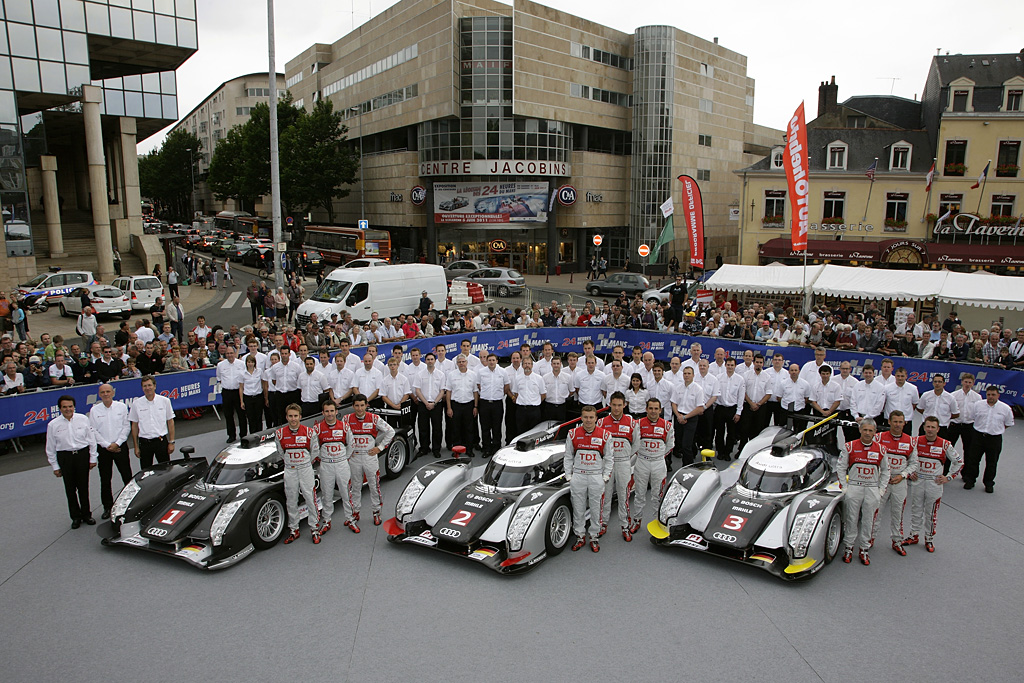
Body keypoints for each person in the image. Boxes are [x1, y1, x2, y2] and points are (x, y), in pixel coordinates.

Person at [905, 416, 963, 552]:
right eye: (928, 427)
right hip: (917, 481)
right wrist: (909, 472)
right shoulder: (915, 441)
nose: (930, 430)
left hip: (934, 483)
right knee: (915, 510)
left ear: (938, 429)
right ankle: (914, 535)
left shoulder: (945, 444)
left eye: (933, 427)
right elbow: (904, 457)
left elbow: (959, 462)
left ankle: (929, 539)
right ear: (924, 427)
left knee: (931, 513)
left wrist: (949, 477)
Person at [837, 418, 889, 565]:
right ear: (860, 430)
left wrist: (881, 490)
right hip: (854, 486)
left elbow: (886, 471)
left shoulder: (881, 449)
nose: (867, 433)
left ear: (875, 432)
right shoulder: (849, 446)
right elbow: (841, 468)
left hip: (872, 488)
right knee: (851, 519)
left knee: (868, 520)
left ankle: (864, 549)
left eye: (870, 430)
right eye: (865, 430)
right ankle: (848, 547)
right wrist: (844, 487)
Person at [564, 405, 613, 553]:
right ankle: (579, 536)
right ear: (581, 418)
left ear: (596, 418)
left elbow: (609, 458)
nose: (588, 420)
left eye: (591, 417)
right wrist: (569, 476)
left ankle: (594, 536)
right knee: (578, 508)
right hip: (578, 475)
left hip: (595, 475)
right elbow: (568, 456)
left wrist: (604, 477)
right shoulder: (572, 433)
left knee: (596, 508)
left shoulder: (605, 435)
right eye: (585, 417)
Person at [45, 395, 98, 529]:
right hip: (65, 457)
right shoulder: (53, 425)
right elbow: (50, 447)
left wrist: (92, 458)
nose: (68, 409)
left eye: (70, 406)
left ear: (74, 407)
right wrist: (55, 466)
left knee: (83, 487)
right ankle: (75, 517)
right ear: (60, 409)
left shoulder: (83, 419)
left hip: (82, 455)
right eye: (64, 407)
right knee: (70, 489)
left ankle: (86, 514)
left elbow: (91, 440)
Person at [870, 410, 917, 556]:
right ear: (889, 422)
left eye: (900, 422)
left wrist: (903, 476)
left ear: (905, 423)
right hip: (881, 482)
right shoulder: (878, 438)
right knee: (875, 512)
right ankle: (869, 539)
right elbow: (871, 457)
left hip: (899, 481)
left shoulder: (910, 441)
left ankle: (897, 541)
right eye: (895, 421)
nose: (897, 425)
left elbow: (914, 463)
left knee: (898, 513)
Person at [344, 394, 395, 527]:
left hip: (369, 456)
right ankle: (355, 512)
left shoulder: (374, 418)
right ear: (353, 406)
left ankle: (376, 512)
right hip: (354, 457)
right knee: (355, 486)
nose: (360, 409)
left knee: (374, 485)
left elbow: (391, 431)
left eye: (362, 405)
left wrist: (380, 448)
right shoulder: (346, 419)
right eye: (357, 406)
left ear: (367, 405)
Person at [277, 403, 322, 545]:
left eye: (295, 416)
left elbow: (315, 452)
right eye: (290, 416)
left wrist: (304, 463)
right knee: (291, 499)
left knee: (310, 497)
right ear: (286, 417)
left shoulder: (309, 432)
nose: (293, 419)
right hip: (290, 469)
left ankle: (314, 528)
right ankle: (294, 529)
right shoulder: (280, 434)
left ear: (300, 417)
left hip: (305, 468)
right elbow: (280, 453)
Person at [314, 400, 358, 535]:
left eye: (332, 411)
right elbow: (314, 448)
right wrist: (323, 459)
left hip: (341, 463)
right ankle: (326, 521)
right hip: (326, 464)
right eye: (326, 411)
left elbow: (351, 444)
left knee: (346, 492)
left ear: (336, 412)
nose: (329, 414)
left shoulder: (344, 427)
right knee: (327, 494)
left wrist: (344, 458)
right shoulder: (317, 428)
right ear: (323, 413)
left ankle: (350, 519)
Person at [88, 384, 132, 520]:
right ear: (99, 395)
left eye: (108, 391)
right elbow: (93, 430)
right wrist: (107, 445)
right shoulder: (94, 410)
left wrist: (117, 443)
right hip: (104, 449)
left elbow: (126, 427)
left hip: (120, 447)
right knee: (105, 479)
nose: (106, 394)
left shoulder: (121, 407)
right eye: (103, 392)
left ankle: (130, 504)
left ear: (113, 393)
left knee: (127, 477)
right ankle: (108, 507)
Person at [599, 393, 639, 541]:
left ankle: (625, 526)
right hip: (607, 463)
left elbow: (637, 443)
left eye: (619, 405)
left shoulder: (631, 422)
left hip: (623, 462)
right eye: (614, 405)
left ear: (624, 405)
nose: (616, 408)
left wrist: (627, 456)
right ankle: (602, 525)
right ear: (610, 404)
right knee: (606, 495)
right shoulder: (602, 422)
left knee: (624, 496)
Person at [630, 398, 673, 534]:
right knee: (639, 494)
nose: (653, 411)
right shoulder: (638, 424)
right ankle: (637, 520)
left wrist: (658, 455)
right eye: (651, 408)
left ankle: (658, 522)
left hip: (658, 462)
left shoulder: (667, 426)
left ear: (660, 410)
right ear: (646, 409)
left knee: (657, 495)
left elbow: (670, 445)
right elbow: (634, 443)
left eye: (656, 409)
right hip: (642, 461)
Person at [963, 386, 1014, 493]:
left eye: (993, 395)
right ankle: (970, 480)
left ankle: (989, 483)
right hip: (978, 436)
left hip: (994, 438)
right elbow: (972, 417)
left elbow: (1008, 423)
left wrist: (997, 429)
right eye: (989, 394)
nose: (990, 397)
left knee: (992, 462)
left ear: (998, 395)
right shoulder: (978, 405)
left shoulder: (1005, 408)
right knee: (973, 459)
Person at [129, 375, 175, 467]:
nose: (147, 388)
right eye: (145, 386)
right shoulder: (136, 404)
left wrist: (171, 442)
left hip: (161, 441)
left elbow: (170, 422)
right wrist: (136, 446)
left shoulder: (165, 401)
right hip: (144, 443)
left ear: (155, 386)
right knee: (146, 472)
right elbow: (134, 425)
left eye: (149, 385)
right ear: (142, 388)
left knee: (166, 470)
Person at [670, 366, 705, 465]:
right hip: (679, 417)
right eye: (685, 373)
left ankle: (687, 465)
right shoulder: (678, 388)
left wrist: (685, 417)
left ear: (693, 375)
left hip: (691, 418)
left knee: (687, 445)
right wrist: (678, 416)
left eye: (689, 373)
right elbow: (674, 403)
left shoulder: (698, 389)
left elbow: (699, 408)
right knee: (680, 443)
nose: (686, 375)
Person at [476, 352, 509, 457]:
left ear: (497, 361)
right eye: (489, 360)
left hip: (497, 403)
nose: (491, 362)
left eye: (493, 360)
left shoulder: (503, 372)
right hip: (484, 403)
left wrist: (499, 395)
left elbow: (506, 386)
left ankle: (496, 448)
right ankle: (486, 448)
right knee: (485, 427)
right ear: (486, 361)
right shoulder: (481, 372)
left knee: (496, 427)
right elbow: (478, 385)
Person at [414, 353, 447, 457]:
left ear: (435, 360)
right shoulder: (419, 374)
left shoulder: (441, 375)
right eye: (428, 359)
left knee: (437, 428)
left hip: (436, 405)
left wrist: (434, 403)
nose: (430, 361)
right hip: (423, 404)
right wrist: (426, 403)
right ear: (425, 361)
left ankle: (436, 449)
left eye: (432, 359)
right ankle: (424, 448)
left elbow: (442, 391)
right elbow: (417, 390)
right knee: (423, 427)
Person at [446, 355, 478, 456]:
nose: (461, 364)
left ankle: (469, 449)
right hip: (456, 405)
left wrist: (475, 406)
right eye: (459, 362)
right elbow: (448, 392)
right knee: (456, 429)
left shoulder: (473, 375)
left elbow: (475, 392)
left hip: (469, 405)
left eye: (463, 361)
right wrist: (449, 407)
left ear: (467, 362)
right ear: (456, 363)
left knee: (469, 429)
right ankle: (456, 450)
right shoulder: (451, 375)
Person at [714, 358, 744, 459]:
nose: (730, 367)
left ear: (735, 366)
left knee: (731, 433)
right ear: (725, 365)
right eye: (728, 365)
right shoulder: (718, 377)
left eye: (732, 365)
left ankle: (727, 452)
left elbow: (741, 397)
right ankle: (720, 452)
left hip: (732, 409)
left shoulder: (740, 379)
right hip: (720, 408)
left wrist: (738, 412)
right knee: (719, 432)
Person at [216, 346, 247, 443]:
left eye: (231, 353)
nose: (229, 355)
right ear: (225, 355)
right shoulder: (220, 365)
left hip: (238, 392)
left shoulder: (241, 364)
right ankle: (231, 435)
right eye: (227, 353)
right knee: (228, 415)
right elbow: (219, 378)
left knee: (241, 414)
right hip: (226, 392)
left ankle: (243, 435)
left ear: (234, 353)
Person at [915, 373, 958, 438]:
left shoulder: (950, 398)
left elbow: (956, 413)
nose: (937, 383)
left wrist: (945, 417)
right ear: (933, 383)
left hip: (942, 428)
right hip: (926, 427)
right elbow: (919, 408)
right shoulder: (926, 395)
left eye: (940, 382)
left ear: (944, 383)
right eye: (935, 381)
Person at [511, 357, 546, 435]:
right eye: (525, 363)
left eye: (529, 363)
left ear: (532, 365)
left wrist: (535, 401)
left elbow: (543, 394)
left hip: (534, 410)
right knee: (521, 432)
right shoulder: (517, 378)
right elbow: (516, 393)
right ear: (522, 365)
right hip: (521, 410)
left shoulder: (539, 379)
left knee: (534, 433)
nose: (527, 365)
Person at [241, 354, 266, 434]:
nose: (250, 364)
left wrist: (265, 397)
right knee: (251, 418)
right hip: (248, 397)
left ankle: (260, 434)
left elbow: (263, 383)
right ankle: (252, 434)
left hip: (258, 396)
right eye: (249, 362)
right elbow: (241, 388)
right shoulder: (242, 373)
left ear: (255, 363)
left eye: (252, 362)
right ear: (246, 363)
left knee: (259, 417)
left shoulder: (259, 371)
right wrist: (242, 401)